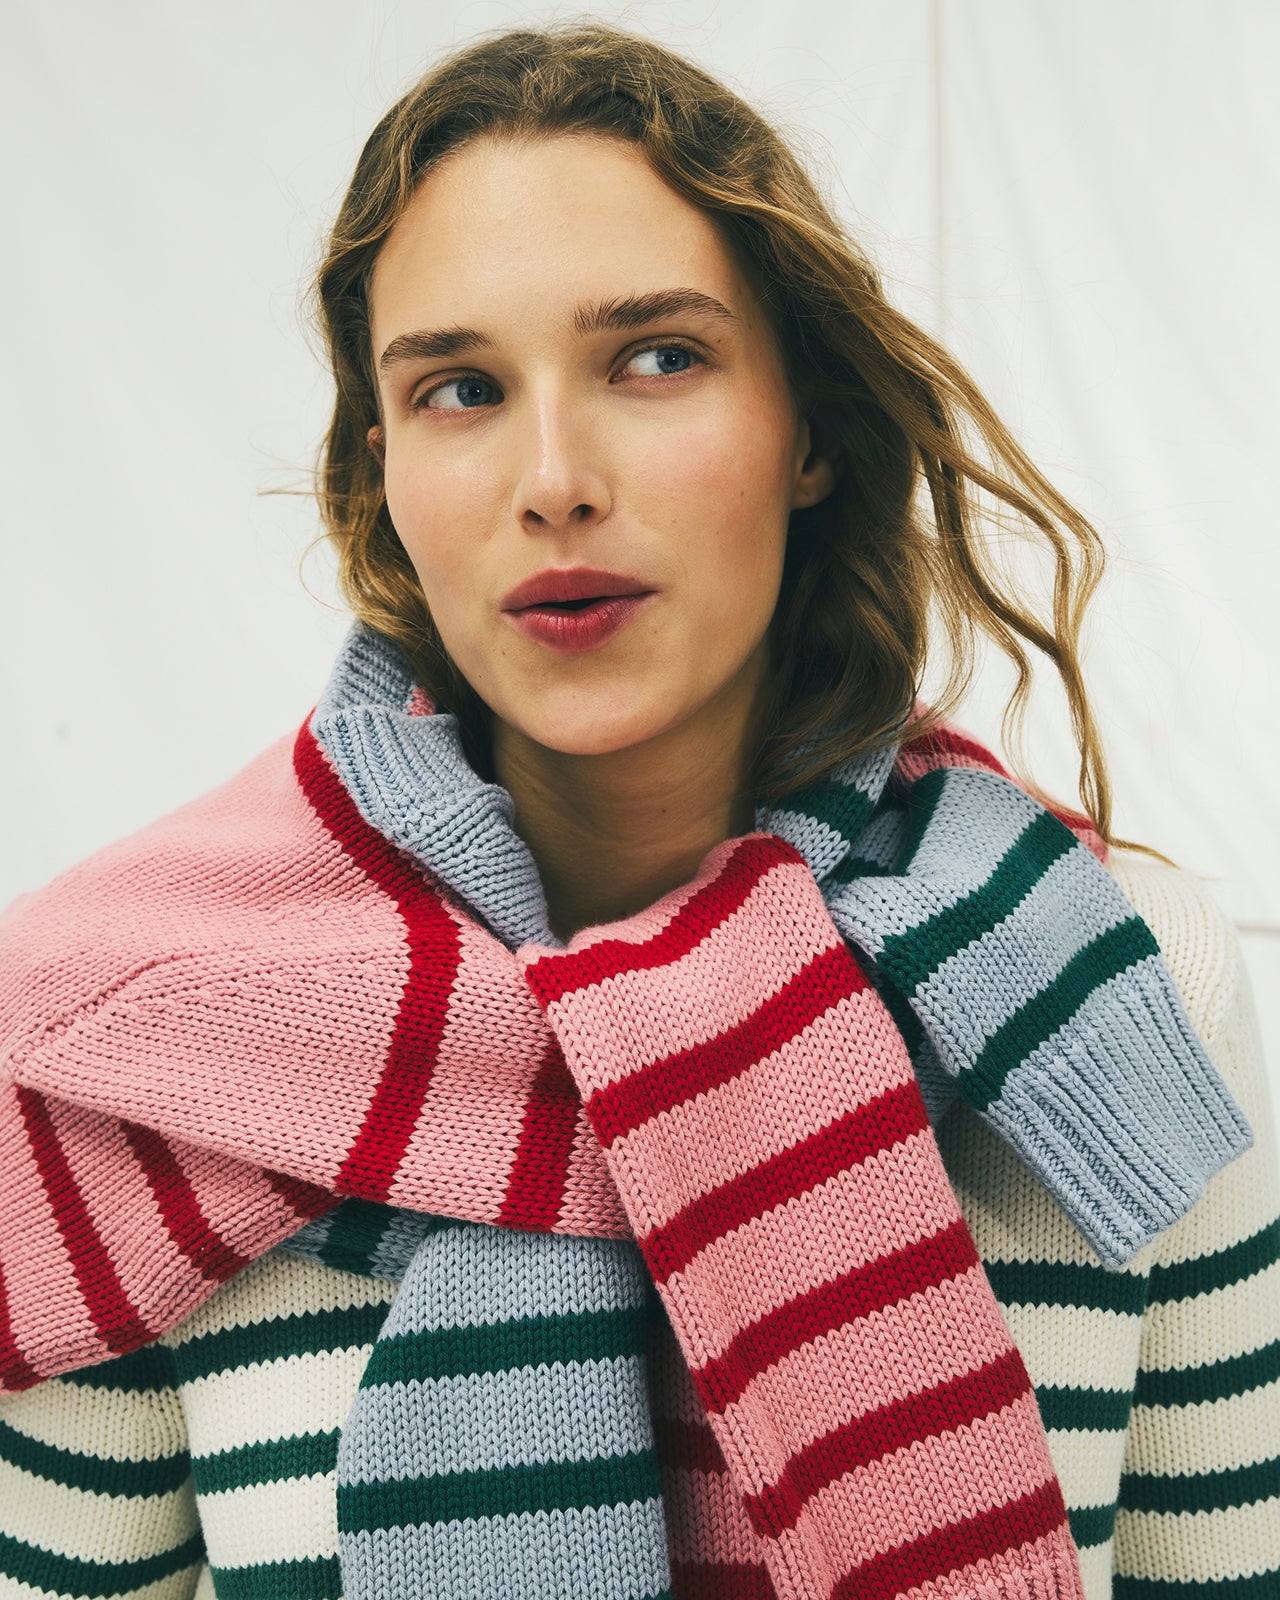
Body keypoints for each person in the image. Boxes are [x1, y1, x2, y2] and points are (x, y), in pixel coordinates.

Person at [0, 22, 1276, 1600]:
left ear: (807, 427)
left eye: (655, 357)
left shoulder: (1104, 985)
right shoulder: (135, 1044)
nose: (555, 478)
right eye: (461, 388)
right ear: (382, 467)